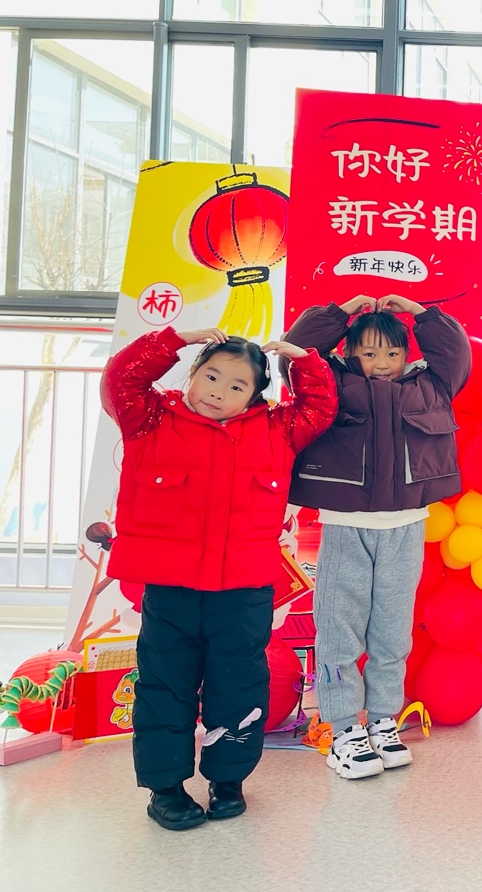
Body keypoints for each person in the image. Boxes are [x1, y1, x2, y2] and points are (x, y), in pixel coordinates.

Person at [102, 326, 336, 831]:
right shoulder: (150, 418)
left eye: (236, 385)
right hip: (171, 590)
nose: (218, 391)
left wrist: (303, 360)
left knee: (239, 687)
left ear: (254, 396)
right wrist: (175, 338)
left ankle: (228, 781)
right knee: (165, 687)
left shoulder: (276, 430)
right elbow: (122, 377)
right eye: (211, 376)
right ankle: (165, 789)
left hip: (243, 592)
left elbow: (320, 407)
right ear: (192, 374)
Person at [283, 294, 471, 780]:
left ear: (407, 354)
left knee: (392, 632)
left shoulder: (431, 384)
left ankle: (384, 721)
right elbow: (296, 352)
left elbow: (456, 352)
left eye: (392, 352)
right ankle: (344, 728)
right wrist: (339, 313)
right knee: (339, 629)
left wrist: (419, 312)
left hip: (405, 528)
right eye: (368, 353)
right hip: (347, 526)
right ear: (350, 353)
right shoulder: (331, 383)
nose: (382, 363)